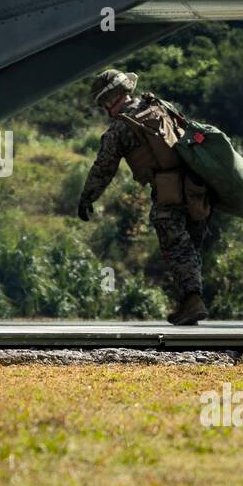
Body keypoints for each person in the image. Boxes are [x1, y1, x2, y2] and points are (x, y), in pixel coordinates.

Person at [75, 69, 211, 326]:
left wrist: (87, 198)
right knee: (189, 248)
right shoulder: (157, 107)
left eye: (103, 103)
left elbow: (103, 168)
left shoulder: (119, 129)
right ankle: (189, 303)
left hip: (169, 194)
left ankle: (192, 301)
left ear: (109, 100)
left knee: (177, 249)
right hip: (198, 188)